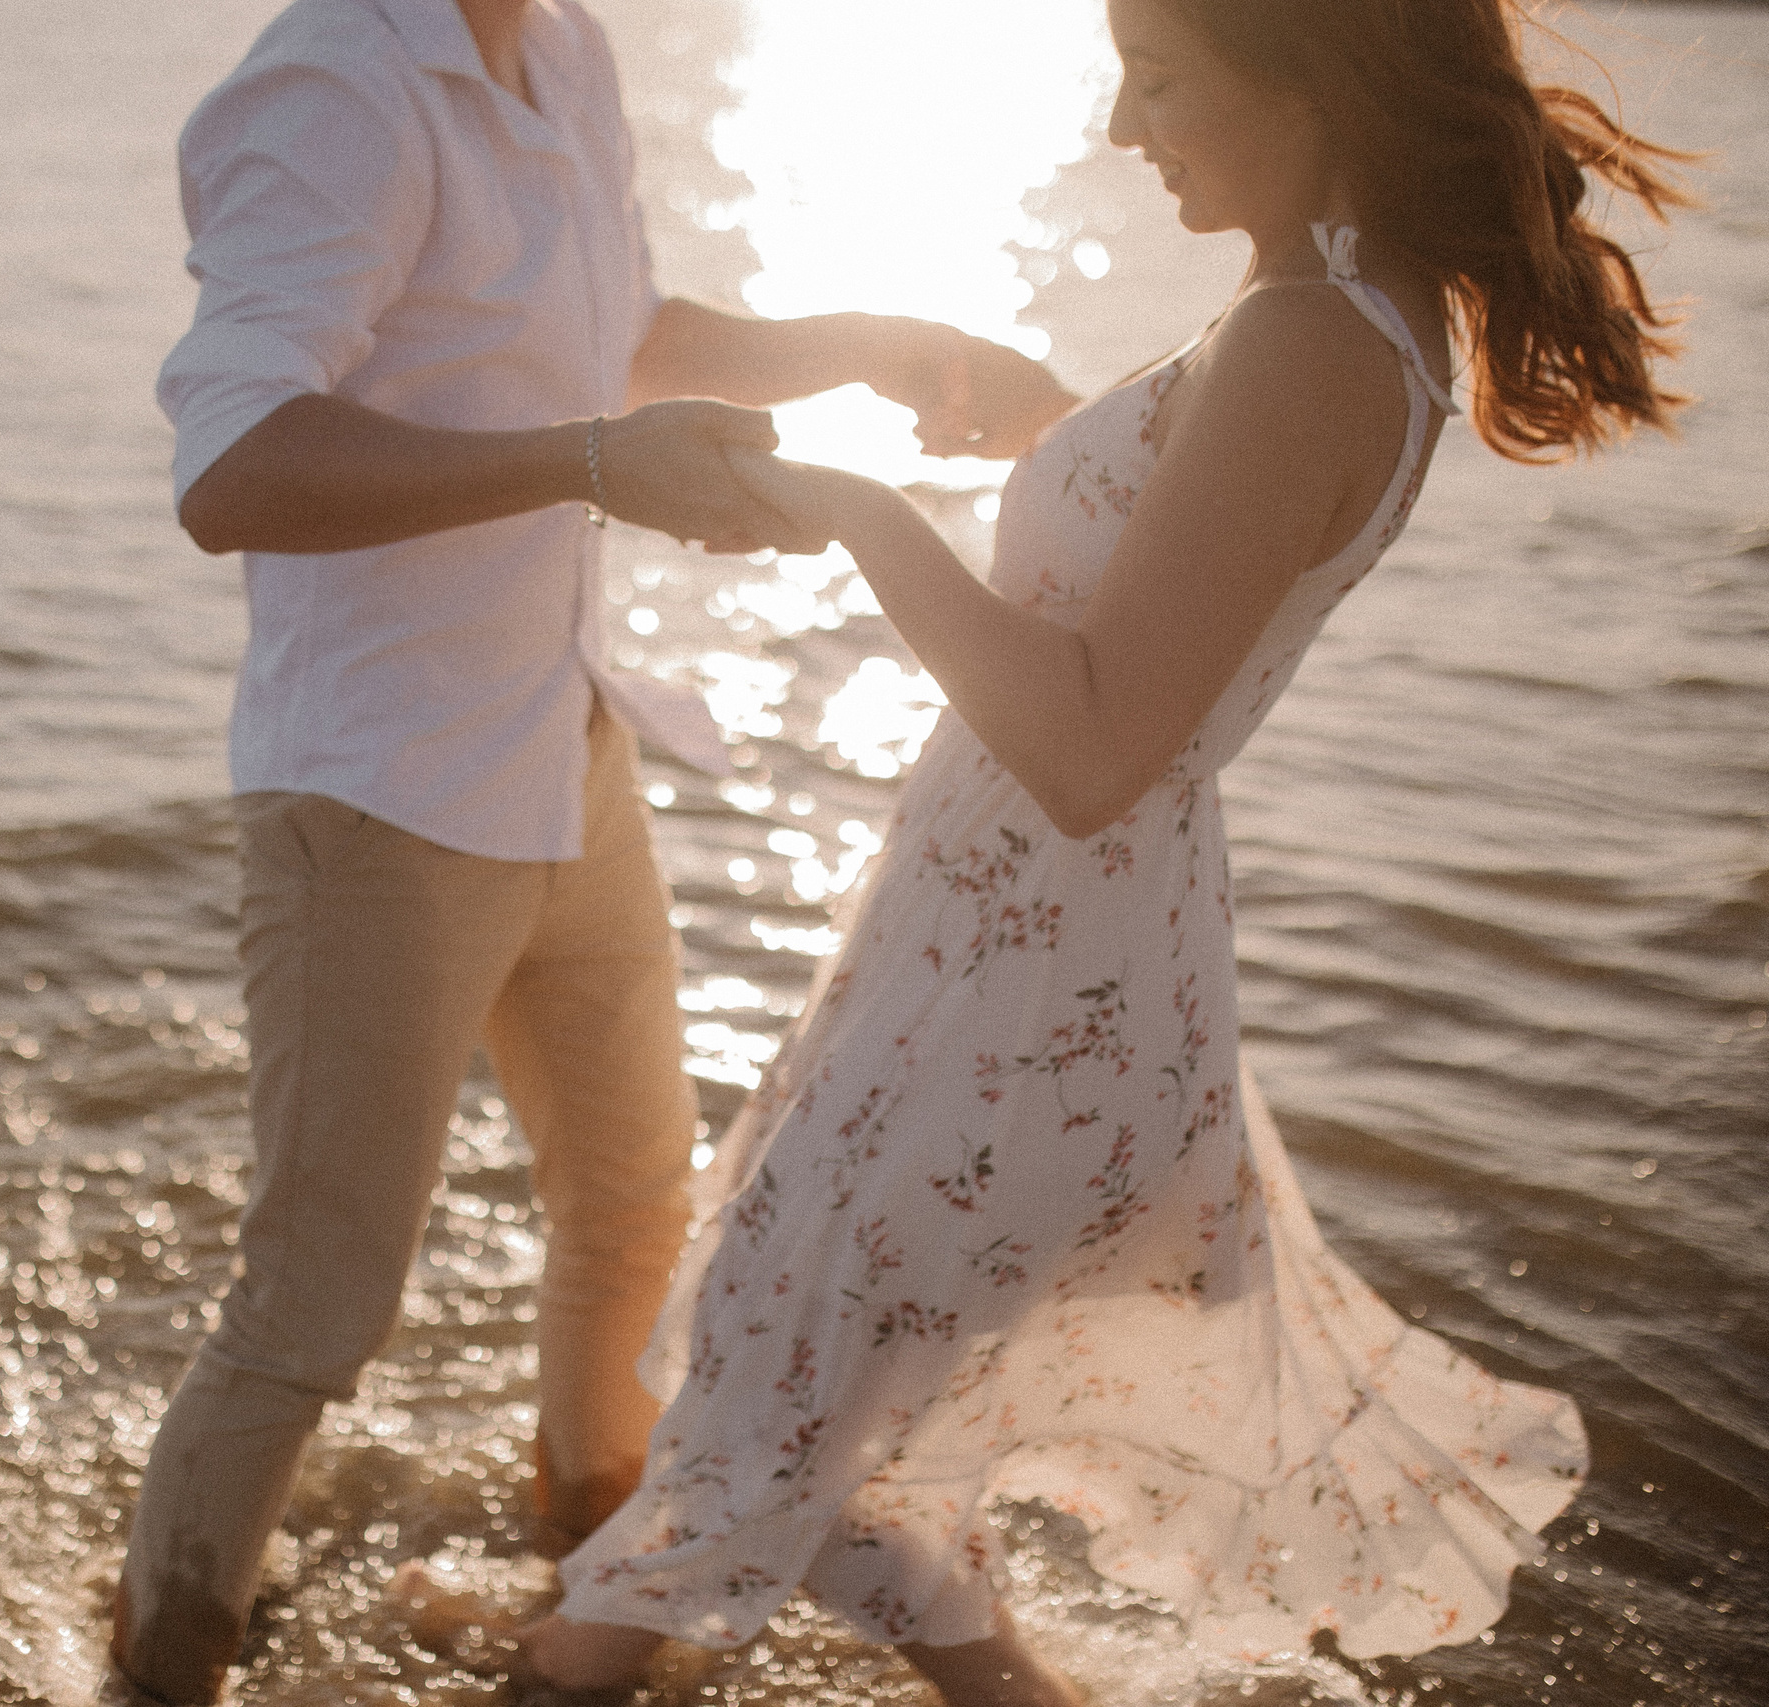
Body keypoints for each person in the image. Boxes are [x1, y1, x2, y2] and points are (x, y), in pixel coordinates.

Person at [510, 0, 1691, 1700]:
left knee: (782, 1368)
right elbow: (1190, 573)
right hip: (1018, 951)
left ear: (1311, 81)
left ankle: (563, 1662)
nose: (1127, 129)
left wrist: (853, 508)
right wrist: (1064, 433)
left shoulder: (1307, 338)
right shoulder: (1331, 318)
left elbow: (1085, 748)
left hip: (1028, 983)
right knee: (824, 1407)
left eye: (1160, 82)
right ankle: (602, 1637)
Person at [110, 0, 1077, 1700]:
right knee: (313, 1310)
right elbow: (234, 462)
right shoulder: (335, 86)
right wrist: (589, 466)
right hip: (378, 802)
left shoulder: (561, 49)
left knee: (633, 1215)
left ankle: (581, 1598)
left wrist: (869, 342)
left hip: (569, 758)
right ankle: (158, 1668)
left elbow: (621, 337)